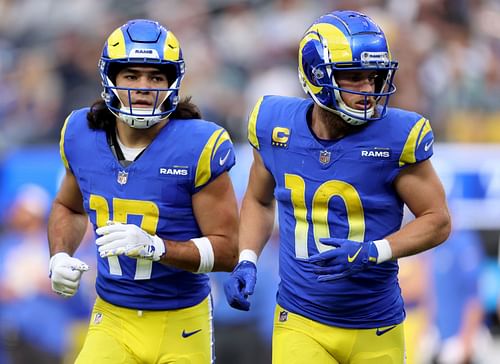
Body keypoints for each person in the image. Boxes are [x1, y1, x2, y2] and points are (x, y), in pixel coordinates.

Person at [224, 10, 451, 363]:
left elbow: (438, 219)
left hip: (376, 324)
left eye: (373, 78)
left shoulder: (397, 137)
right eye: (354, 78)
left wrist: (374, 251)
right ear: (316, 77)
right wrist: (248, 258)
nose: (368, 90)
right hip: (300, 319)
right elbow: (258, 199)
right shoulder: (274, 126)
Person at [47, 19, 239, 364]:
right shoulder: (80, 133)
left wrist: (157, 247)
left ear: (172, 83)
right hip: (113, 318)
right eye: (132, 76)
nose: (143, 87)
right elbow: (69, 207)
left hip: (182, 322)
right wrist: (60, 254)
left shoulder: (198, 143)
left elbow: (227, 251)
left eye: (155, 77)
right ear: (111, 79)